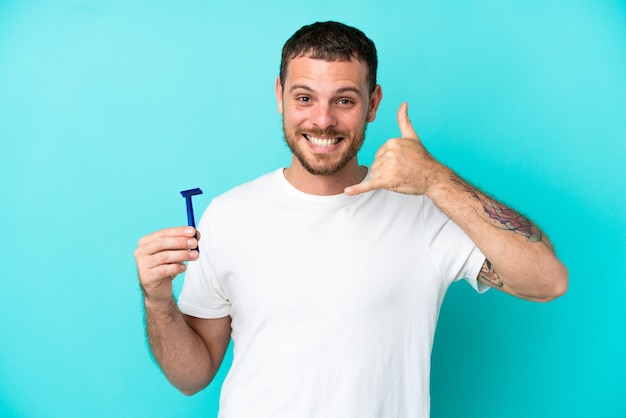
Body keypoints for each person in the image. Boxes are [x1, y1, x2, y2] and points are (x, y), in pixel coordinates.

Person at [134, 21, 568, 418]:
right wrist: (157, 301)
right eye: (304, 98)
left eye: (344, 100)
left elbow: (548, 281)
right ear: (279, 96)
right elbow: (191, 377)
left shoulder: (425, 211)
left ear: (373, 103)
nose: (322, 120)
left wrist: (437, 180)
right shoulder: (230, 215)